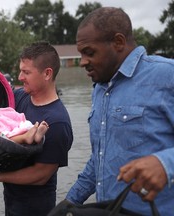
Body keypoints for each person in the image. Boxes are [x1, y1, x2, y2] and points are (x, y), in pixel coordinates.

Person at [65, 7, 174, 215]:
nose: (83, 62)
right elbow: (100, 158)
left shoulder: (167, 76)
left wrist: (165, 164)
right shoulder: (99, 89)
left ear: (118, 42)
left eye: (89, 52)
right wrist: (70, 201)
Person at [0, 41, 73, 216]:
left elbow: (41, 175)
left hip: (35, 209)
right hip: (10, 201)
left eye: (26, 72)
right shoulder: (19, 97)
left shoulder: (58, 122)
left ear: (47, 73)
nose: (20, 77)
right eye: (20, 70)